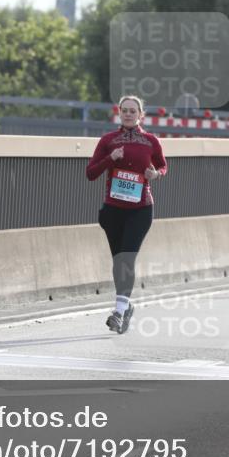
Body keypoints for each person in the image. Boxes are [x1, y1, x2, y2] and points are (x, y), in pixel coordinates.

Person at [86, 95, 167, 333]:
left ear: (141, 115)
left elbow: (163, 166)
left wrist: (156, 174)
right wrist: (110, 159)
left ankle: (119, 312)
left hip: (140, 209)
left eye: (133, 111)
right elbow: (90, 173)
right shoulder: (108, 141)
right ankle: (126, 306)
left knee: (127, 258)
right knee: (118, 260)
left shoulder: (151, 141)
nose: (129, 114)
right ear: (119, 113)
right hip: (113, 210)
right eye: (125, 110)